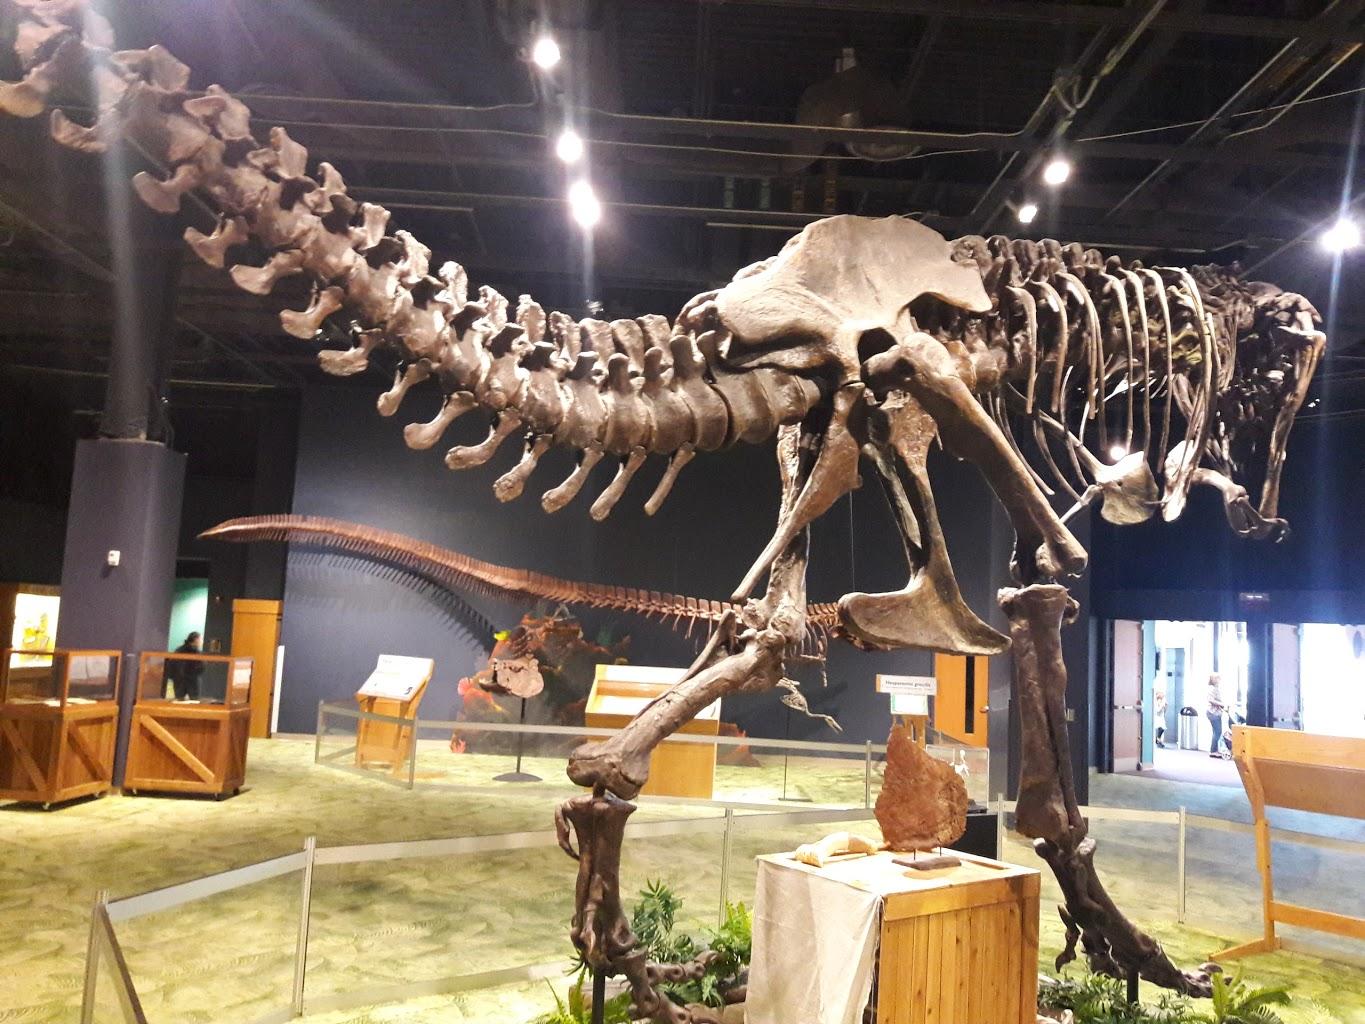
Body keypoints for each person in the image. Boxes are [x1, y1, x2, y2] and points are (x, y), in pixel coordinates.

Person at [171, 632, 204, 700]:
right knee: (194, 702)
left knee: (179, 702)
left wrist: (174, 677)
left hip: (179, 681)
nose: (202, 641)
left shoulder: (178, 650)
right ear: (196, 639)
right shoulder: (197, 653)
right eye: (201, 639)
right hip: (193, 682)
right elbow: (202, 667)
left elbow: (171, 666)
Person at [1206, 672, 1227, 758]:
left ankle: (1214, 750)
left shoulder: (1215, 688)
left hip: (1215, 712)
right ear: (1214, 679)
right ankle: (1213, 751)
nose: (1219, 680)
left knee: (1215, 732)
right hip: (1213, 713)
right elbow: (1210, 700)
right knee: (1218, 731)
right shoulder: (1212, 689)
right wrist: (1221, 704)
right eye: (1217, 678)